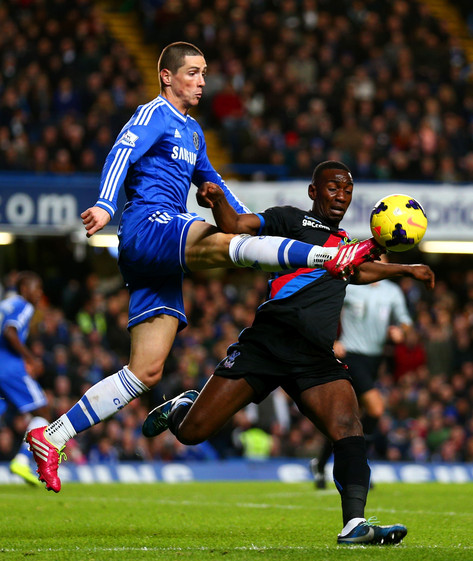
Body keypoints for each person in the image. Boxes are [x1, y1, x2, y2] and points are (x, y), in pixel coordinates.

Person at [25, 43, 379, 493]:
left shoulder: (193, 133)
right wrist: (105, 204)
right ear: (166, 77)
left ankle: (53, 435)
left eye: (204, 73)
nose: (202, 82)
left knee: (145, 372)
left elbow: (216, 185)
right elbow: (121, 152)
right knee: (225, 245)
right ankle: (329, 256)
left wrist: (254, 225)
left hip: (160, 260)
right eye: (192, 72)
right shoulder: (153, 114)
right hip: (150, 224)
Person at [142, 161, 435, 545]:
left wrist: (406, 269)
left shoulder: (345, 243)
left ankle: (354, 524)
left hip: (314, 355)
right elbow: (237, 226)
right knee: (192, 433)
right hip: (267, 344)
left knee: (349, 427)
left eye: (347, 190)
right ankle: (183, 406)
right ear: (314, 191)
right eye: (333, 188)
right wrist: (217, 201)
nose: (341, 196)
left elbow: (357, 272)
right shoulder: (289, 220)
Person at [310, 265, 413, 488]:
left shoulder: (391, 291)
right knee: (375, 408)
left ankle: (321, 464)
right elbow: (325, 307)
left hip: (375, 360)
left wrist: (402, 331)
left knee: (347, 418)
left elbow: (405, 320)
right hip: (352, 355)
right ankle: (359, 465)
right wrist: (332, 340)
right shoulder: (351, 286)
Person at [0, 271, 50, 486]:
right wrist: (31, 358)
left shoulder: (5, 304)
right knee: (43, 411)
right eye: (36, 288)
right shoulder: (24, 305)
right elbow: (10, 331)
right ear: (24, 289)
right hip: (9, 368)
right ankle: (22, 460)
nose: (39, 293)